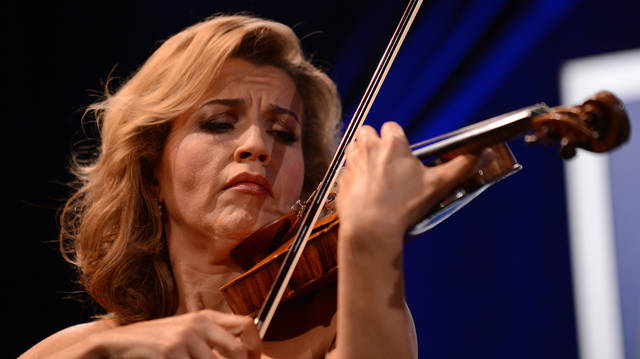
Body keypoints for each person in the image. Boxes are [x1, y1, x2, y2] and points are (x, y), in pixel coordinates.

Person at [20, 14, 485, 359]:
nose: (258, 146)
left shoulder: (342, 320)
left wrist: (369, 241)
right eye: (220, 123)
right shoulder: (88, 349)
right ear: (150, 170)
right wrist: (112, 348)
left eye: (284, 133)